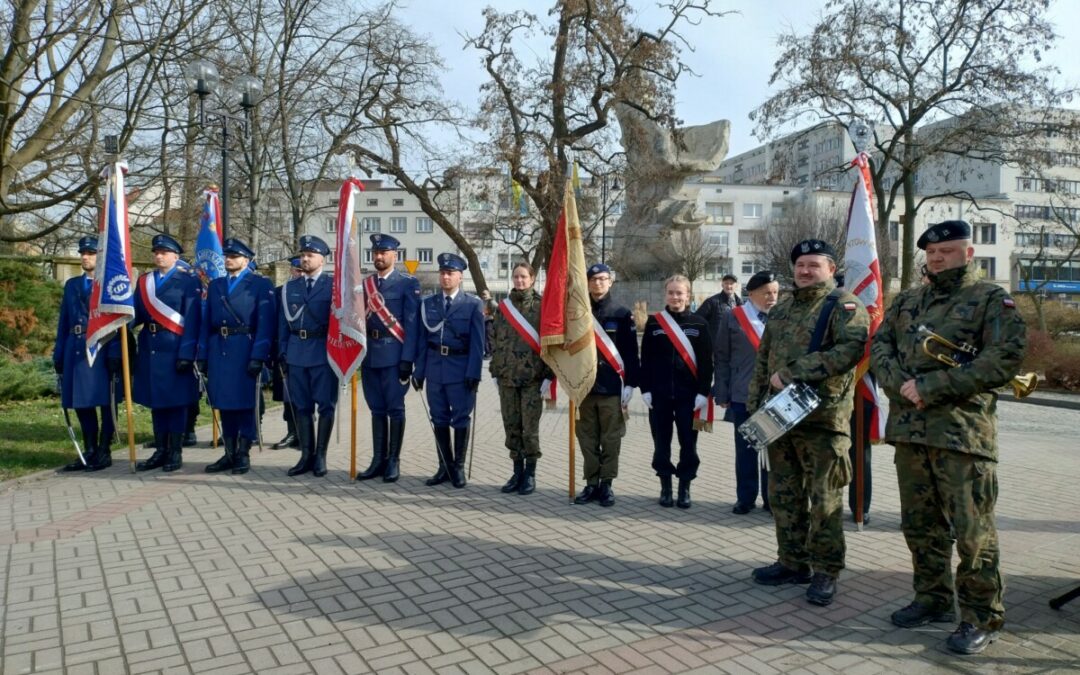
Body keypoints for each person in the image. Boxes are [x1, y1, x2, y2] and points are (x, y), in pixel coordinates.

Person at [871, 220, 1025, 655]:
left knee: (973, 532)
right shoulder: (908, 300)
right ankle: (932, 598)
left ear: (968, 253)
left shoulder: (990, 299)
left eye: (948, 251)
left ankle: (981, 616)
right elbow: (880, 348)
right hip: (910, 431)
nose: (938, 258)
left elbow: (1004, 359)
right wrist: (901, 384)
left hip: (961, 435)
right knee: (921, 526)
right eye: (932, 253)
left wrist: (931, 387)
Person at [747, 239, 869, 607]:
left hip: (823, 421)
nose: (805, 271)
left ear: (831, 269)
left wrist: (794, 372)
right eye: (800, 265)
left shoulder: (844, 305)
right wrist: (755, 406)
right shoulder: (783, 308)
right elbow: (764, 360)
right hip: (780, 419)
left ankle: (826, 571)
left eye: (814, 265)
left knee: (824, 500)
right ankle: (792, 562)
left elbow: (849, 351)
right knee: (784, 496)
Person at [199, 239, 276, 475]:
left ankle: (243, 452)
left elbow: (265, 324)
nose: (229, 259)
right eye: (227, 256)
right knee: (224, 403)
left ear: (247, 259)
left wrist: (259, 355)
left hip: (245, 348)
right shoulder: (216, 285)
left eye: (234, 256)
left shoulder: (260, 284)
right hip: (219, 350)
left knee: (245, 404)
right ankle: (229, 452)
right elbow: (206, 322)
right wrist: (202, 353)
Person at [412, 253, 485, 489]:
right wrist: (419, 372)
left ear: (460, 277)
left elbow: (478, 344)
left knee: (460, 418)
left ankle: (458, 467)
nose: (445, 277)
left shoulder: (473, 304)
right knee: (439, 417)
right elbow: (422, 341)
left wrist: (474, 373)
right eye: (443, 273)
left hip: (460, 370)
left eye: (450, 273)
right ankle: (444, 466)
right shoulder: (428, 304)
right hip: (435, 369)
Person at [640, 275, 713, 510]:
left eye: (679, 293)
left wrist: (703, 391)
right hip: (659, 396)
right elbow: (646, 359)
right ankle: (665, 488)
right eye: (671, 292)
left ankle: (684, 488)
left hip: (689, 397)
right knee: (661, 444)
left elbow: (706, 362)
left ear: (688, 296)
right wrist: (646, 389)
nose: (675, 297)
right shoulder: (654, 323)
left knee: (689, 445)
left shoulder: (700, 324)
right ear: (666, 295)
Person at [133, 234, 202, 472]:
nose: (159, 256)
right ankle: (160, 450)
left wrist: (187, 353)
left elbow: (192, 319)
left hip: (175, 347)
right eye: (156, 252)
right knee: (157, 402)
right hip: (150, 347)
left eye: (164, 252)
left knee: (176, 403)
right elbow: (136, 314)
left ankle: (175, 451)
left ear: (175, 256)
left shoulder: (188, 281)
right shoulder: (145, 281)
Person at [713, 270, 780, 514]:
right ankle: (746, 498)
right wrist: (722, 392)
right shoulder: (733, 317)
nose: (772, 297)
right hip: (743, 394)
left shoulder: (783, 317)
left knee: (773, 449)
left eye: (775, 292)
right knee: (746, 449)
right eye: (766, 293)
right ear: (751, 294)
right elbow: (722, 356)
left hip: (775, 396)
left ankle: (772, 498)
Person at [573, 263, 639, 508]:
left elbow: (631, 352)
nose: (598, 283)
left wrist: (630, 384)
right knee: (587, 439)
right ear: (588, 283)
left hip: (611, 387)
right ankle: (591, 483)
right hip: (584, 388)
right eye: (593, 279)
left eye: (603, 279)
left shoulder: (621, 313)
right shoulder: (578, 312)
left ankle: (607, 484)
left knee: (611, 439)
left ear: (610, 282)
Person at [355, 233, 420, 483]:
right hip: (370, 355)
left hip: (394, 355)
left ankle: (393, 460)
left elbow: (412, 325)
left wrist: (407, 360)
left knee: (395, 409)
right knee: (376, 409)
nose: (379, 257)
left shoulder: (407, 284)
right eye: (376, 253)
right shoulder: (366, 285)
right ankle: (377, 460)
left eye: (384, 253)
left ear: (395, 255)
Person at [53, 236, 119, 472]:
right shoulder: (72, 285)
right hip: (76, 347)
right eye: (83, 253)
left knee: (106, 401)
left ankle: (104, 449)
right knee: (81, 401)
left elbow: (119, 322)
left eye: (91, 254)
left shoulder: (111, 285)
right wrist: (59, 354)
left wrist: (115, 352)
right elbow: (64, 322)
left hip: (102, 347)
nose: (85, 257)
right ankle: (89, 449)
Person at [489, 262, 552, 495]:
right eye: (516, 277)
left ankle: (530, 474)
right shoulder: (504, 307)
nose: (519, 280)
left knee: (529, 430)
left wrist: (550, 375)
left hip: (532, 380)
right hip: (507, 379)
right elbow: (495, 339)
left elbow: (551, 343)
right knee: (512, 428)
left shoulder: (542, 306)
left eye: (524, 277)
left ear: (532, 278)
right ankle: (517, 472)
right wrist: (495, 370)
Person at [278, 235, 336, 478]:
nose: (305, 259)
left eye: (310, 255)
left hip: (323, 353)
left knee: (325, 406)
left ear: (322, 259)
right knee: (301, 406)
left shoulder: (333, 286)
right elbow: (283, 323)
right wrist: (282, 351)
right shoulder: (291, 287)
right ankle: (305, 455)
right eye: (303, 255)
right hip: (296, 353)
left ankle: (320, 456)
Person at [271, 256, 303, 449]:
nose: (299, 273)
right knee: (287, 394)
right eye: (296, 270)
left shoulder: (311, 291)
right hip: (285, 349)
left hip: (306, 349)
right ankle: (292, 432)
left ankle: (304, 434)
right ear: (291, 270)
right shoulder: (280, 292)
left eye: (302, 270)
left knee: (305, 395)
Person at [696, 273, 743, 343]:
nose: (729, 286)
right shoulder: (712, 301)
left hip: (734, 345)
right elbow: (697, 319)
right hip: (716, 345)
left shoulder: (741, 304)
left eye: (731, 283)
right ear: (722, 285)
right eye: (726, 283)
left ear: (736, 285)